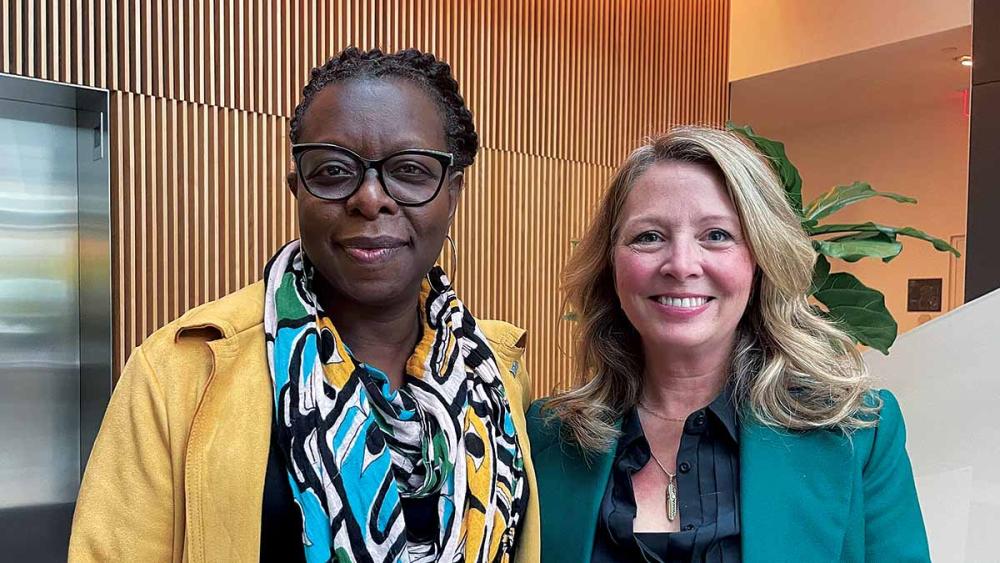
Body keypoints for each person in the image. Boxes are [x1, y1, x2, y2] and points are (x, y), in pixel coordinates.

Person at [69, 47, 539, 563]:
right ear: (297, 188)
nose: (370, 198)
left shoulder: (496, 375)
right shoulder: (176, 377)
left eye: (409, 170)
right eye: (334, 171)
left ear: (453, 192)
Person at [527, 126, 929, 562]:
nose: (681, 264)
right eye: (649, 237)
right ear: (611, 265)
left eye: (716, 235)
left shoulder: (857, 435)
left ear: (760, 259)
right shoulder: (545, 437)